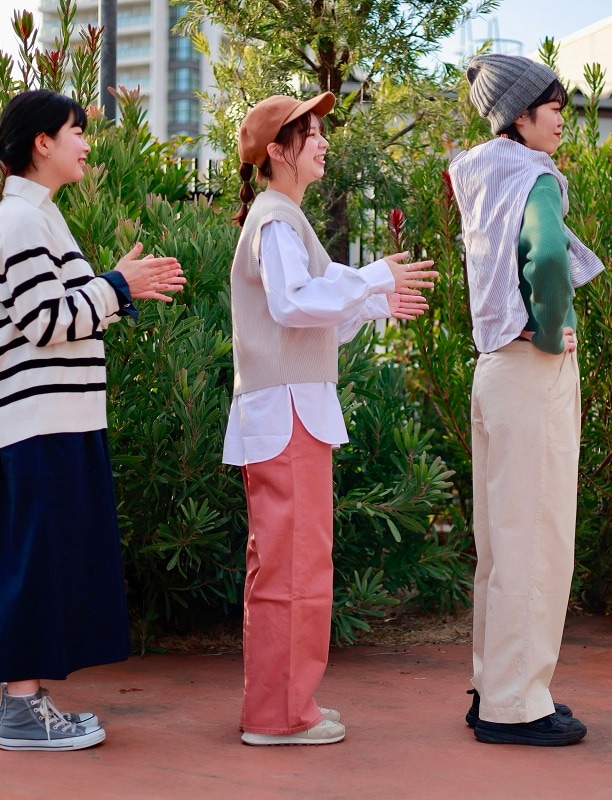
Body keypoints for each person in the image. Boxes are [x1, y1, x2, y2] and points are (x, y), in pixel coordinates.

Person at [0, 89, 186, 751]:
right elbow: (45, 321)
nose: (87, 144)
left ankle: (28, 703)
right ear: (43, 143)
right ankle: (20, 710)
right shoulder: (20, 222)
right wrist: (117, 285)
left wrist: (117, 287)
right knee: (34, 565)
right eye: (77, 131)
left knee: (48, 564)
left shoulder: (38, 217)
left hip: (58, 420)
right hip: (39, 424)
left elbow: (65, 313)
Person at [223, 92, 437, 746]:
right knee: (294, 566)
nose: (322, 142)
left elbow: (311, 319)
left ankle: (286, 705)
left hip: (290, 412)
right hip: (289, 413)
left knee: (295, 563)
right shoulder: (277, 220)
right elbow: (293, 304)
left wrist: (375, 299)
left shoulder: (282, 218)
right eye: (310, 133)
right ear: (276, 152)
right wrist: (371, 280)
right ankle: (280, 715)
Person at [448, 54, 605, 746]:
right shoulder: (535, 177)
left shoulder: (479, 173)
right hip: (532, 368)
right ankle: (517, 707)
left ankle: (496, 690)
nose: (562, 121)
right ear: (520, 115)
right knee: (537, 540)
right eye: (554, 109)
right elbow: (547, 259)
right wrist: (547, 331)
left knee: (500, 543)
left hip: (492, 370)